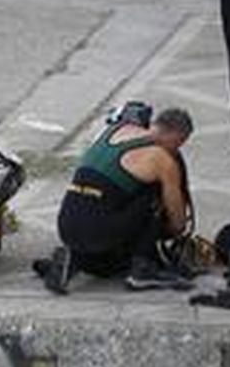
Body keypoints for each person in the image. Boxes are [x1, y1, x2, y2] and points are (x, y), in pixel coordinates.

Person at [37, 108, 196, 293]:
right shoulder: (161, 159)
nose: (178, 149)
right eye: (180, 143)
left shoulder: (116, 129)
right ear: (175, 135)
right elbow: (177, 220)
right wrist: (171, 234)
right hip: (101, 230)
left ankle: (75, 257)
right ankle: (142, 270)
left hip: (66, 225)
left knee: (111, 254)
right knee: (153, 192)